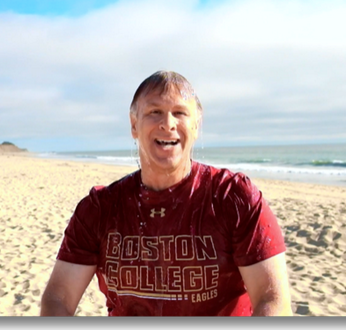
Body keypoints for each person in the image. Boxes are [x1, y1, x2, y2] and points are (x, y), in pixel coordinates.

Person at [40, 70, 292, 317]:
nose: (167, 123)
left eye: (180, 113)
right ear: (134, 124)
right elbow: (57, 298)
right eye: (154, 112)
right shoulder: (99, 209)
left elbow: (273, 300)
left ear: (196, 126)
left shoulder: (233, 199)